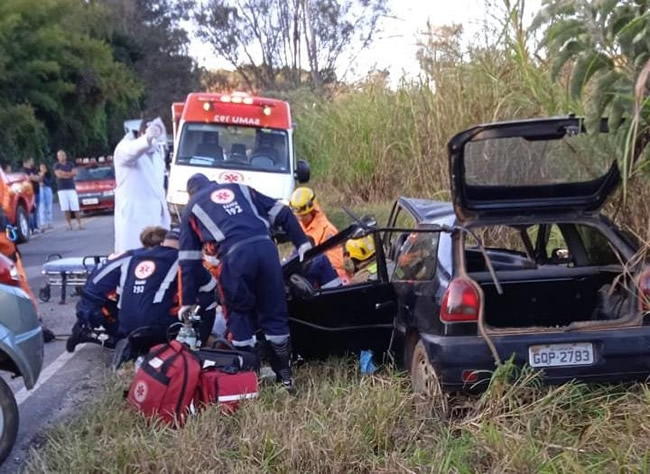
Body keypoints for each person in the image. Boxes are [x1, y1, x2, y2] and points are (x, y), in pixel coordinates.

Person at [178, 173, 311, 390]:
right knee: (274, 312)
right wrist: (302, 242)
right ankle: (285, 376)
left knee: (239, 315)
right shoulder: (240, 188)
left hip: (235, 257)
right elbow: (282, 211)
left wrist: (188, 300)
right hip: (267, 250)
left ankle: (250, 376)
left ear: (190, 193)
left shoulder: (192, 207)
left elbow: (189, 259)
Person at [66, 227, 170, 353]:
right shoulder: (137, 260)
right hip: (95, 306)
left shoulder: (132, 254)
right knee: (131, 336)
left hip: (90, 298)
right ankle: (87, 333)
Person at [118, 229, 216, 345]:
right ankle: (197, 346)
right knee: (210, 298)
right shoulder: (184, 260)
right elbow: (211, 285)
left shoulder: (134, 257)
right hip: (158, 330)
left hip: (125, 327)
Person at [113, 118, 171, 253]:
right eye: (155, 135)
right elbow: (131, 151)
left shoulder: (156, 156)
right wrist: (148, 138)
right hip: (134, 217)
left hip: (156, 217)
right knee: (133, 257)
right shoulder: (124, 148)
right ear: (142, 133)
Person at [289, 187, 346, 279]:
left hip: (328, 277)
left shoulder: (327, 230)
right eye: (298, 216)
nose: (300, 219)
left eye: (303, 215)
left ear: (312, 211)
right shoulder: (301, 226)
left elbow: (336, 263)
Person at [54, 150, 83, 230]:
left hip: (71, 188)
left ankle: (79, 223)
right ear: (58, 157)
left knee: (75, 207)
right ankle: (69, 224)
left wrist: (64, 174)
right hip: (61, 189)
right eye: (60, 156)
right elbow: (58, 175)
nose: (62, 157)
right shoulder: (57, 165)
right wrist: (69, 174)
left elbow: (74, 173)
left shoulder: (70, 164)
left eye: (63, 155)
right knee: (65, 208)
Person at [21, 158, 41, 234]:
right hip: (29, 193)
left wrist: (34, 177)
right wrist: (34, 177)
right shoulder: (24, 170)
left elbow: (39, 178)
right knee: (30, 211)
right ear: (27, 161)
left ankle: (35, 227)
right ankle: (31, 227)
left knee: (36, 210)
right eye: (31, 160)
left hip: (37, 191)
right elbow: (30, 178)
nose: (32, 162)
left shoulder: (34, 169)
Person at [38, 163, 54, 230]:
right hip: (40, 189)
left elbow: (48, 182)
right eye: (41, 167)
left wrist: (43, 176)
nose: (42, 169)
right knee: (41, 206)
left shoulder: (48, 175)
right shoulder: (37, 174)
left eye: (44, 167)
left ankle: (49, 222)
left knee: (49, 206)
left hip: (47, 189)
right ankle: (42, 223)